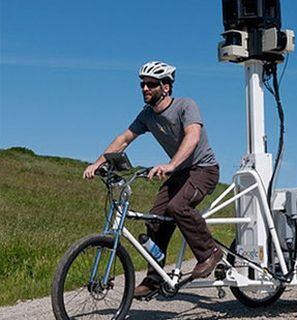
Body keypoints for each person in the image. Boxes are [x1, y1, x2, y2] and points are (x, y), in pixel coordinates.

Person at [83, 61, 222, 297]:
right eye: (142, 84)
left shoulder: (185, 106)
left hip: (203, 169)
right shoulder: (147, 115)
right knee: (155, 220)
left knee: (178, 207)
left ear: (165, 87)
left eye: (151, 84)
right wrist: (99, 162)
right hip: (180, 173)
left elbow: (193, 136)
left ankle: (209, 253)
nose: (145, 88)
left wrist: (171, 164)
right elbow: (124, 138)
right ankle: (154, 279)